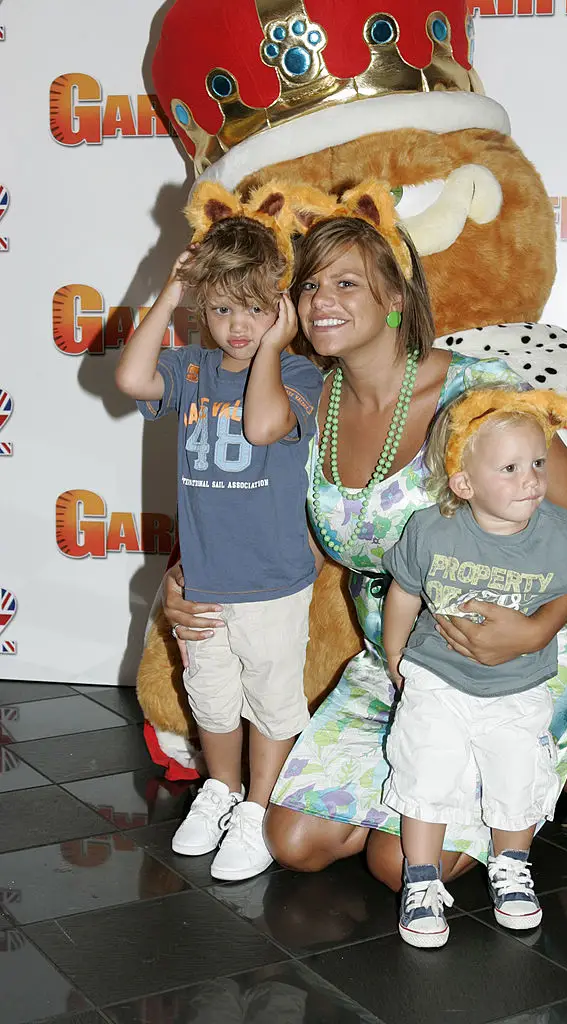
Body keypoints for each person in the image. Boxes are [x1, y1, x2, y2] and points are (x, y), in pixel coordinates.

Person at [162, 180, 567, 894]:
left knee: (396, 863)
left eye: (346, 282)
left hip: (507, 656)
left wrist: (535, 632)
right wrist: (193, 581)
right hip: (398, 658)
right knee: (295, 842)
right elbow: (277, 524)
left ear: (395, 299)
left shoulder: (476, 394)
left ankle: (556, 746)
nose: (321, 301)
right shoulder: (305, 397)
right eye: (309, 284)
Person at [116, 183, 323, 881]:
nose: (239, 325)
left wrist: (273, 346)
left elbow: (264, 425)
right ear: (204, 308)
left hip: (269, 581)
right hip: (203, 580)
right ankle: (221, 787)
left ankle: (259, 806)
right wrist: (170, 297)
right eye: (224, 308)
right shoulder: (191, 367)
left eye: (256, 309)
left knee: (270, 699)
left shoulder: (297, 374)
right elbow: (131, 377)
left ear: (282, 310)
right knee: (210, 698)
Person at [381, 386, 567, 947]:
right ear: (464, 484)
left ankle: (512, 868)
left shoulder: (565, 537)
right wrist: (396, 654)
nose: (533, 480)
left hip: (520, 685)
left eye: (538, 464)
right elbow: (403, 591)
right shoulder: (431, 530)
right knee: (427, 765)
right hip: (438, 677)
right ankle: (420, 881)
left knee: (518, 772)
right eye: (512, 468)